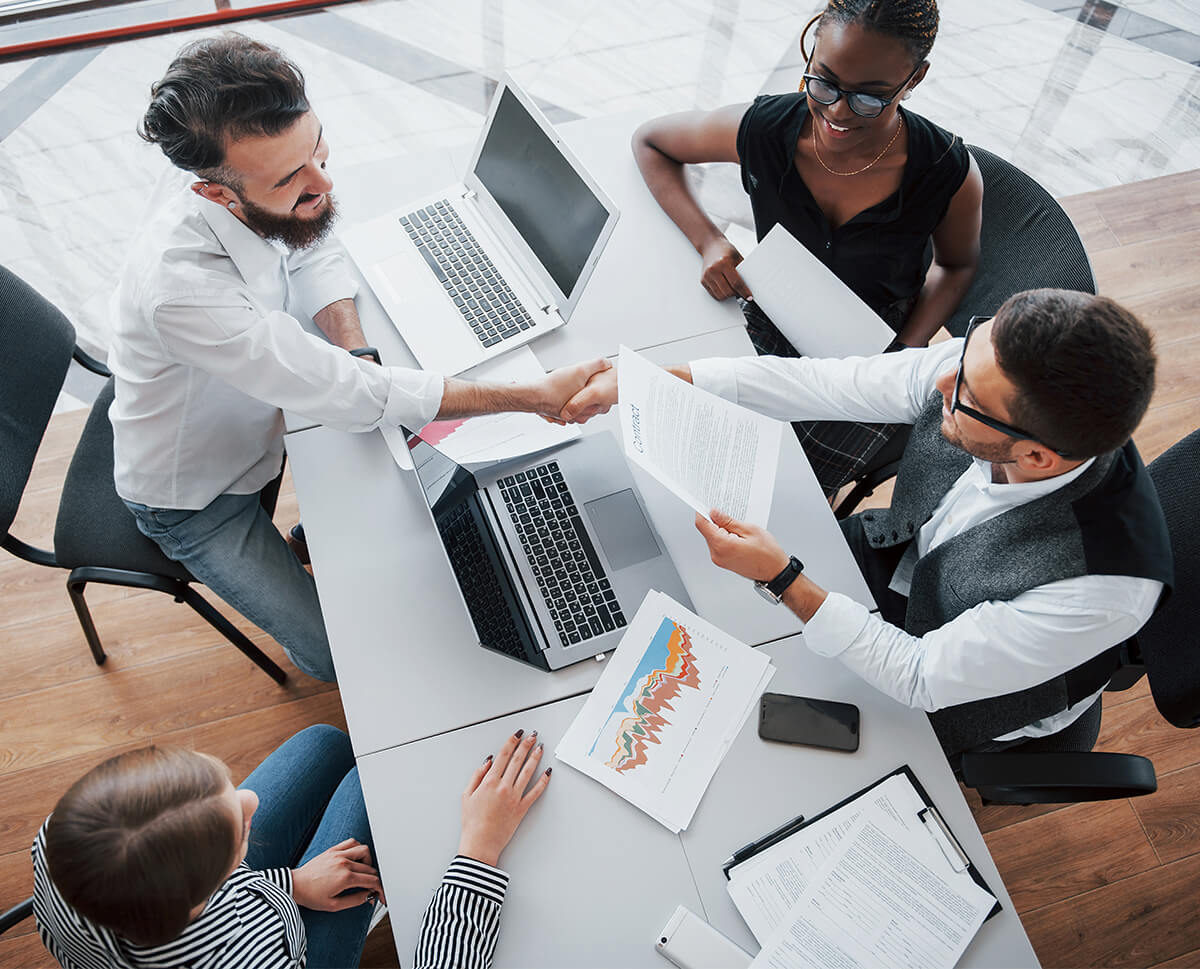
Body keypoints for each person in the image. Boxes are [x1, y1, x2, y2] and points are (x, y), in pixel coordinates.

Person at [111, 33, 609, 683]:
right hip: (197, 497)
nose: (322, 178)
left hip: (265, 426)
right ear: (216, 195)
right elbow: (350, 395)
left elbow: (311, 240)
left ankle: (305, 539)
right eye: (291, 177)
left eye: (317, 146)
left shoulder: (243, 169)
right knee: (333, 657)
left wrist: (357, 346)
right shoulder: (181, 292)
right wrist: (531, 395)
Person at [562, 289, 1174, 757]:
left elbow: (919, 676)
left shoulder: (1103, 592)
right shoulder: (987, 376)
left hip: (967, 693)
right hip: (913, 561)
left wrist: (784, 580)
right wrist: (655, 385)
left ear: (1037, 457)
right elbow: (825, 385)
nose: (940, 379)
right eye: (964, 351)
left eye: (965, 393)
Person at [631, 0, 982, 497]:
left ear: (914, 80)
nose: (838, 112)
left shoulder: (948, 172)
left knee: (776, 492)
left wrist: (907, 349)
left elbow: (956, 264)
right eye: (824, 82)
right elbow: (651, 142)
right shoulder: (767, 129)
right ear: (811, 51)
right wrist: (710, 242)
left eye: (869, 98)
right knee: (677, 440)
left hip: (872, 347)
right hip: (771, 307)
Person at [32, 723, 548, 968]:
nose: (250, 798)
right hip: (277, 949)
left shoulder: (63, 836)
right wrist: (479, 846)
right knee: (369, 786)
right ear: (201, 901)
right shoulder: (245, 958)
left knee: (326, 745)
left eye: (225, 787)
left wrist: (289, 884)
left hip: (236, 909)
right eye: (235, 829)